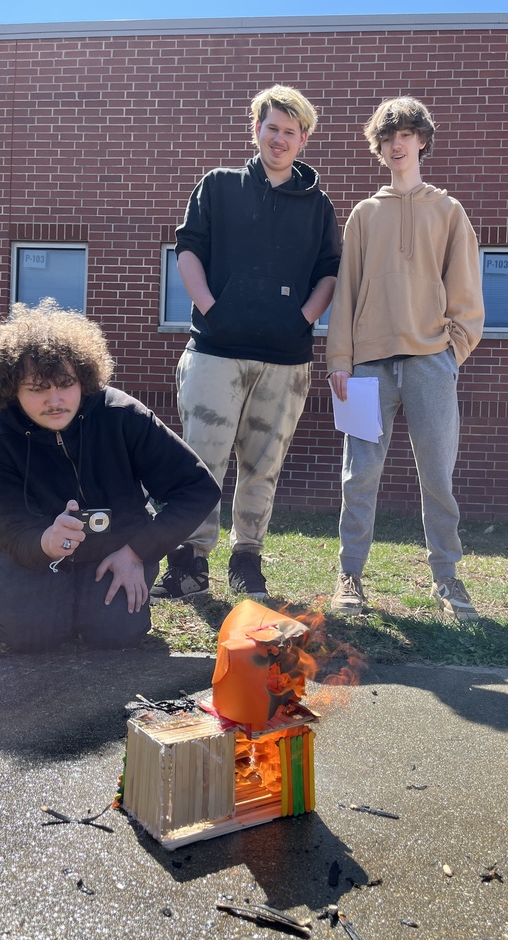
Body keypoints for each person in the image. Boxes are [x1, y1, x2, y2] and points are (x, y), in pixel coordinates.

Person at [151, 84, 341, 602]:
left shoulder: (318, 207)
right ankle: (188, 563)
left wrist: (301, 318)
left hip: (285, 360)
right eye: (271, 127)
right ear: (256, 129)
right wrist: (212, 308)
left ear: (304, 140)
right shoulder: (218, 186)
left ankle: (247, 560)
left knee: (263, 466)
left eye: (290, 131)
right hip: (215, 351)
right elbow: (187, 249)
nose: (279, 139)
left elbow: (329, 273)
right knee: (201, 460)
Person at [0, 299, 221, 653]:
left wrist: (137, 552)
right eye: (37, 388)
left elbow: (197, 488)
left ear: (84, 378)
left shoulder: (122, 415)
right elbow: (10, 531)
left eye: (66, 384)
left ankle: (98, 601)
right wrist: (47, 541)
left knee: (115, 635)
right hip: (35, 554)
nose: (55, 400)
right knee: (29, 640)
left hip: (118, 550)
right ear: (11, 390)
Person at [326, 96, 485, 620]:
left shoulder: (449, 212)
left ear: (422, 141)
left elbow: (465, 293)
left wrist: (451, 353)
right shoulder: (363, 215)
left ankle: (448, 579)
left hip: (430, 363)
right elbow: (345, 293)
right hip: (366, 367)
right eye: (387, 137)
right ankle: (349, 575)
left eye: (406, 134)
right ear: (380, 147)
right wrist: (340, 360)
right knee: (359, 475)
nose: (397, 144)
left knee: (438, 475)